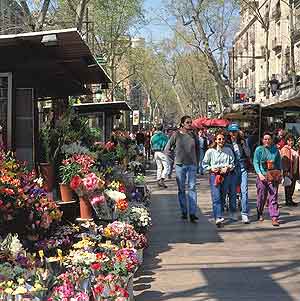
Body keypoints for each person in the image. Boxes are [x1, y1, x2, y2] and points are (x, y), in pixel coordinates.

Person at [165, 116, 200, 223]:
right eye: (187, 122)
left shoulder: (194, 135)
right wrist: (173, 159)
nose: (190, 124)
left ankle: (192, 213)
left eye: (191, 122)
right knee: (181, 189)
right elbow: (167, 149)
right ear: (182, 124)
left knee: (192, 188)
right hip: (180, 166)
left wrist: (197, 162)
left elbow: (198, 149)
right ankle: (184, 211)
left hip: (192, 165)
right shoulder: (176, 135)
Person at [202, 132, 236, 226]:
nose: (221, 141)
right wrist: (211, 168)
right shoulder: (210, 151)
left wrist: (228, 168)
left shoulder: (228, 150)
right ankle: (218, 217)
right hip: (215, 175)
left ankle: (220, 212)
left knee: (222, 196)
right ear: (216, 140)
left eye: (223, 139)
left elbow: (233, 163)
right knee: (216, 196)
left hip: (226, 175)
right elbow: (204, 164)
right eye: (219, 139)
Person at [253, 132, 281, 227]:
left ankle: (274, 217)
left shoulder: (275, 150)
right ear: (262, 140)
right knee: (261, 196)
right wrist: (260, 174)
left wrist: (280, 173)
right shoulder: (259, 150)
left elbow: (279, 163)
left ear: (272, 140)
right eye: (265, 139)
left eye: (269, 139)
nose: (267, 141)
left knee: (273, 196)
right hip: (262, 176)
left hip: (273, 176)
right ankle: (259, 212)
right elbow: (256, 163)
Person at [227, 123, 251, 224]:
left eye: (235, 131)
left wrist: (244, 142)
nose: (234, 134)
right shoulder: (226, 143)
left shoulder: (242, 142)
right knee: (232, 191)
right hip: (232, 169)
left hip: (242, 167)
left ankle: (244, 213)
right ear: (229, 132)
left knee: (244, 191)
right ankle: (233, 212)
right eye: (232, 132)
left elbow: (248, 154)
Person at [280, 134, 299, 207]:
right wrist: (286, 171)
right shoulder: (285, 149)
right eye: (289, 140)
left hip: (294, 170)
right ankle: (288, 201)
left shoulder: (293, 149)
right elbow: (284, 160)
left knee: (292, 186)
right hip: (288, 170)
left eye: (292, 140)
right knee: (288, 186)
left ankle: (290, 199)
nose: (291, 142)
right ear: (286, 141)